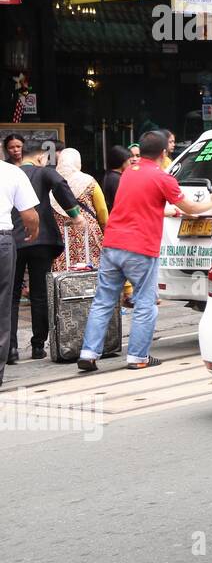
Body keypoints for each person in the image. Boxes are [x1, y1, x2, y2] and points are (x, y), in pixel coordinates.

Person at [77, 130, 212, 372]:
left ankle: (88, 353)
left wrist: (170, 212)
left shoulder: (128, 174)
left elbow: (143, 206)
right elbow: (191, 207)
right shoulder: (162, 178)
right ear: (164, 153)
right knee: (146, 303)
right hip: (140, 248)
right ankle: (137, 357)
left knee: (103, 301)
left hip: (113, 244)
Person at [10, 144, 87, 362]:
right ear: (41, 157)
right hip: (41, 240)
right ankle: (37, 346)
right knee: (39, 294)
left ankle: (10, 349)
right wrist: (75, 214)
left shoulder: (10, 173)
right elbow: (60, 184)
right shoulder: (43, 171)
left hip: (12, 240)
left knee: (10, 297)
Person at [0, 164, 39, 386]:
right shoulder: (12, 172)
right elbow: (30, 216)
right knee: (2, 303)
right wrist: (32, 232)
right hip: (2, 240)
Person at [50, 147, 109, 274]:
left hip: (62, 237)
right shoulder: (89, 181)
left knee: (65, 271)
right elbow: (102, 210)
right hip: (88, 232)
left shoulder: (51, 182)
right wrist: (106, 229)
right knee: (91, 269)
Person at [103, 145, 132, 212]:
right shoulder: (116, 179)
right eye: (129, 161)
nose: (130, 164)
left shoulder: (110, 175)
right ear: (122, 161)